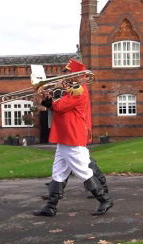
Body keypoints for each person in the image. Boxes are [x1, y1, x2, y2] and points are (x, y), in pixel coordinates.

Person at [34, 61, 112, 217]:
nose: (64, 75)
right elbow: (55, 106)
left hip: (72, 137)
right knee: (58, 173)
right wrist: (45, 97)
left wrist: (54, 92)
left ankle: (105, 200)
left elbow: (60, 107)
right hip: (65, 137)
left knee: (84, 171)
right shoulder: (70, 89)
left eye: (67, 72)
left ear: (76, 74)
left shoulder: (78, 90)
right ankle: (50, 207)